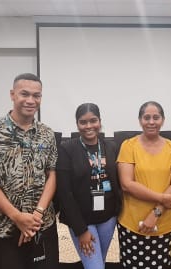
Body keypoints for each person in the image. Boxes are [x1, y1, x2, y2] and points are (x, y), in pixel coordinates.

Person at [0, 73, 59, 269]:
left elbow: (52, 175)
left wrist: (36, 215)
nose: (31, 100)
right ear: (12, 95)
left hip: (42, 226)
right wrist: (17, 217)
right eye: (24, 94)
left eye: (36, 95)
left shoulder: (47, 133)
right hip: (3, 228)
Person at [117, 101, 171, 269]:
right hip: (131, 223)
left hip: (165, 223)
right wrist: (162, 198)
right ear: (140, 120)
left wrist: (156, 212)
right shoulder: (128, 146)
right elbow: (126, 184)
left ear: (163, 120)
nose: (151, 122)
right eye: (147, 117)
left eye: (156, 117)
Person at [56, 103, 122, 268]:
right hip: (82, 220)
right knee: (95, 266)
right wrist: (81, 230)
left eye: (93, 120)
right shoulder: (67, 149)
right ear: (77, 124)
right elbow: (65, 193)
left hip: (108, 218)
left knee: (99, 262)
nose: (88, 126)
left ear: (100, 121)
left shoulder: (111, 147)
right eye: (83, 122)